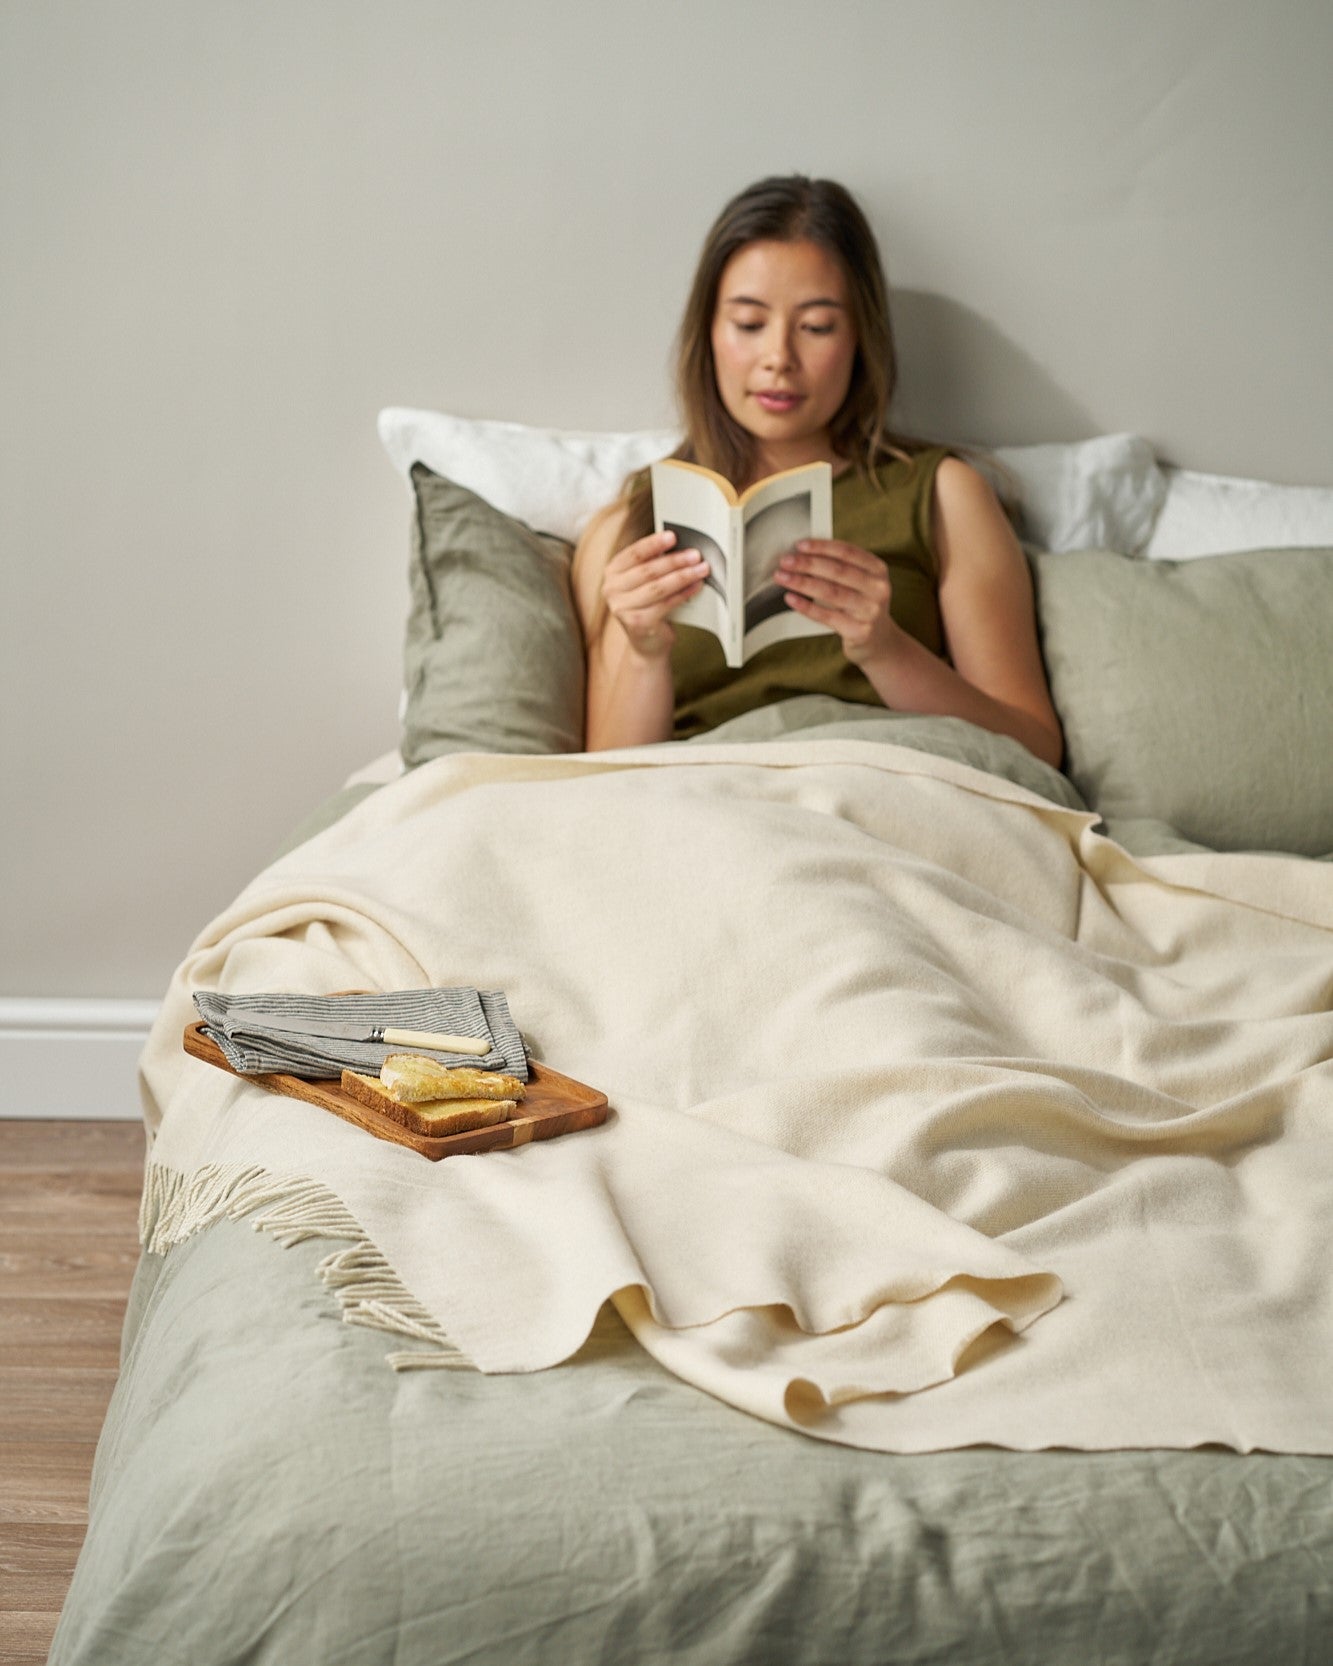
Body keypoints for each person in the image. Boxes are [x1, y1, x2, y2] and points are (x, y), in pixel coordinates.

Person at [571, 175, 1064, 768]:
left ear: (860, 339)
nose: (779, 357)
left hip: (885, 791)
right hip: (707, 807)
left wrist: (883, 649)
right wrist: (645, 652)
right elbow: (599, 782)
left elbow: (1034, 747)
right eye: (749, 324)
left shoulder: (940, 494)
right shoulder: (632, 524)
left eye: (817, 327)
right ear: (709, 333)